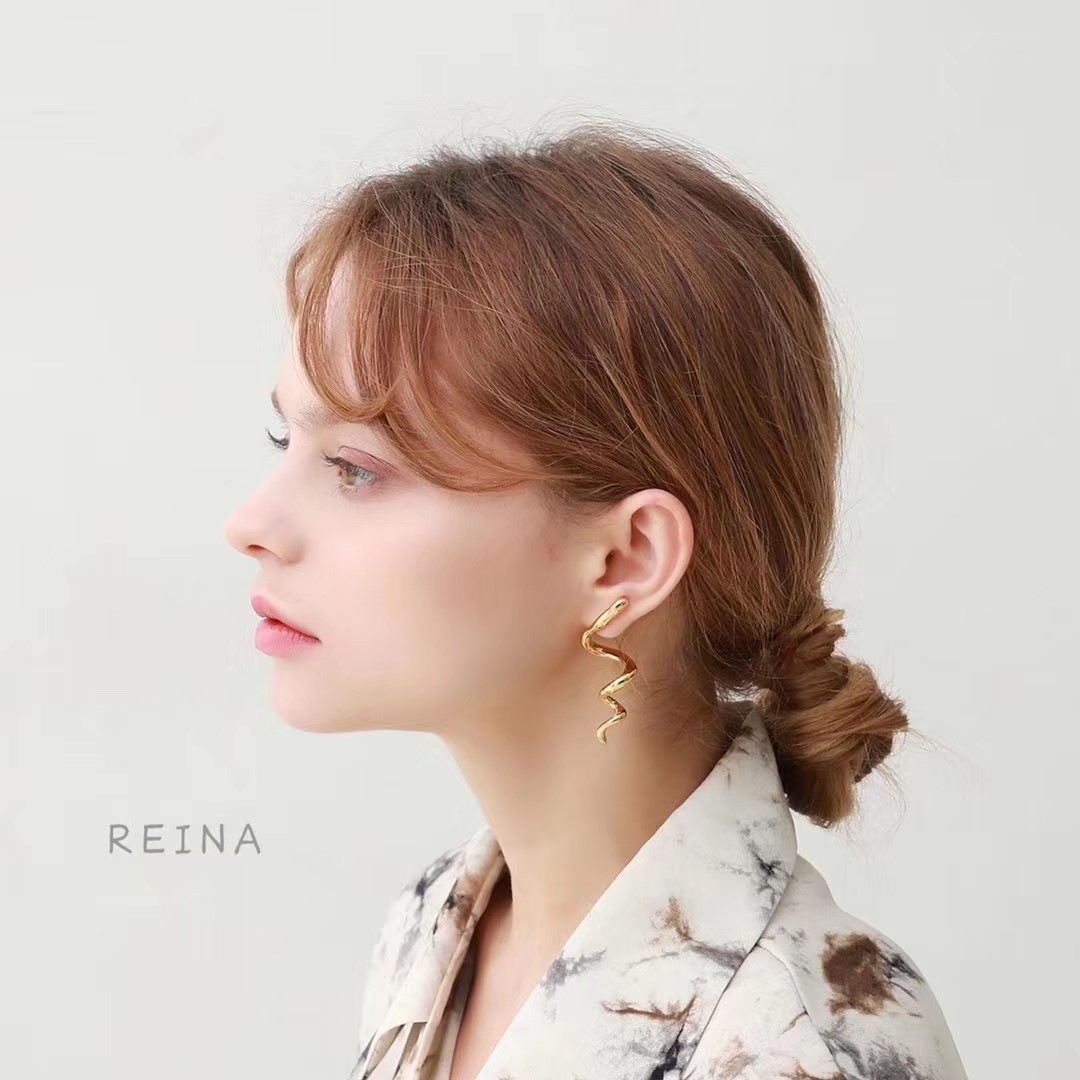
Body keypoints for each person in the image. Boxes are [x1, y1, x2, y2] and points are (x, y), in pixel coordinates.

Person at [224, 121, 969, 1080]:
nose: (251, 524)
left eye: (356, 469)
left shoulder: (799, 1047)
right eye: (283, 440)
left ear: (626, 558)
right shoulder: (433, 925)